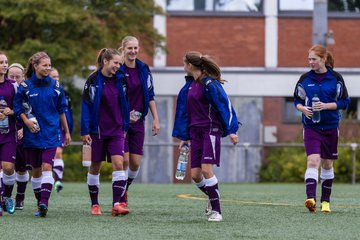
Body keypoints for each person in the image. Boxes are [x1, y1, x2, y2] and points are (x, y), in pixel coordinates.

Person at [172, 51, 239, 222]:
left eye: (183, 63)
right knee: (195, 175)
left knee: (207, 170)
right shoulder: (189, 86)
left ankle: (217, 211)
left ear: (190, 65)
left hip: (210, 130)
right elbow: (185, 114)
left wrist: (232, 130)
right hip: (194, 133)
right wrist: (184, 137)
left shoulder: (210, 84)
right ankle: (212, 194)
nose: (183, 66)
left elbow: (225, 106)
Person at [13, 51, 71, 217]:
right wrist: (27, 122)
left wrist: (66, 131)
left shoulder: (56, 86)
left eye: (49, 65)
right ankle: (40, 204)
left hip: (51, 133)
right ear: (35, 66)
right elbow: (18, 108)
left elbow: (62, 111)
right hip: (32, 134)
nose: (48, 68)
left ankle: (44, 203)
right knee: (36, 171)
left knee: (47, 167)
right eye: (44, 65)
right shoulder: (25, 87)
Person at [293, 44, 350, 213]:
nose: (310, 62)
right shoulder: (305, 79)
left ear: (323, 59)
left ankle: (326, 202)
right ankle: (310, 198)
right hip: (311, 127)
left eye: (314, 59)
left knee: (327, 164)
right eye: (309, 59)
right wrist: (302, 108)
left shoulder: (336, 78)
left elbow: (345, 102)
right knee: (312, 161)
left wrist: (327, 106)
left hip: (331, 127)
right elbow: (296, 99)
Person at [81, 48, 130, 216]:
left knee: (119, 163)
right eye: (116, 63)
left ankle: (117, 204)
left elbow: (125, 104)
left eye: (120, 63)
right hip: (98, 131)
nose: (118, 66)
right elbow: (86, 105)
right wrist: (85, 130)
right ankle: (95, 204)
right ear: (106, 61)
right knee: (95, 167)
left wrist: (125, 125)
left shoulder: (121, 80)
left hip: (117, 130)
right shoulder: (93, 80)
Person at [118, 36, 160, 206]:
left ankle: (125, 188)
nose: (133, 51)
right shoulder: (118, 69)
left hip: (139, 121)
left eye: (136, 48)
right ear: (123, 49)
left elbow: (150, 94)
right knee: (124, 160)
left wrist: (155, 118)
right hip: (120, 122)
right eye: (130, 48)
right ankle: (120, 197)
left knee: (135, 162)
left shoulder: (143, 68)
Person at [7, 63, 30, 210]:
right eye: (12, 76)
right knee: (6, 167)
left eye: (18, 77)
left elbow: (32, 111)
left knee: (21, 168)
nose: (15, 79)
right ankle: (6, 197)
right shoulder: (4, 88)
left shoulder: (28, 90)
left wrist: (24, 129)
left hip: (22, 133)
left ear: (23, 77)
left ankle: (20, 197)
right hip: (5, 133)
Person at [49, 67, 73, 193]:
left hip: (60, 129)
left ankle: (58, 181)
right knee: (47, 157)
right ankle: (49, 180)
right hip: (47, 128)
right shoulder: (44, 91)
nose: (56, 79)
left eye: (57, 76)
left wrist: (69, 129)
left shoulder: (64, 94)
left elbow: (68, 113)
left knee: (58, 152)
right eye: (53, 77)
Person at [0, 52, 18, 215]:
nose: (5, 65)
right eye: (1, 62)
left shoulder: (13, 85)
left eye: (6, 62)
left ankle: (7, 196)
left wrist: (11, 111)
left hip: (8, 134)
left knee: (8, 167)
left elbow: (21, 107)